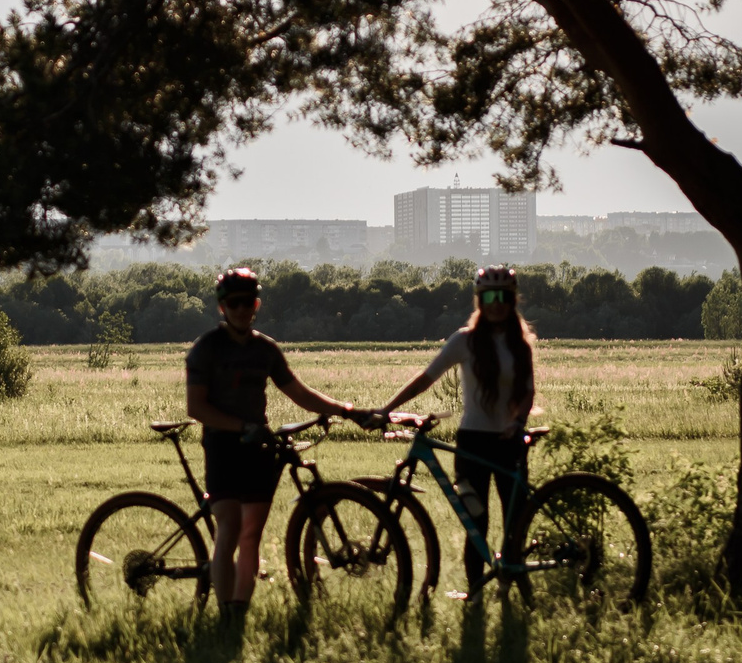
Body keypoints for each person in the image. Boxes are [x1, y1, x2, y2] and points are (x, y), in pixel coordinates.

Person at [184, 266, 361, 623]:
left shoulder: (265, 349)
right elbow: (196, 407)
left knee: (251, 534)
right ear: (222, 307)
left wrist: (343, 409)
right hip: (222, 445)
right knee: (230, 528)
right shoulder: (206, 349)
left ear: (257, 304)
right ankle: (224, 615)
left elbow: (297, 391)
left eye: (247, 302)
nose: (241, 309)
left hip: (257, 448)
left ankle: (239, 612)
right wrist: (241, 425)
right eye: (233, 303)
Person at [374, 265, 539, 592]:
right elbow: (425, 379)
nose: (496, 303)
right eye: (489, 297)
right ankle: (476, 593)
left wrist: (517, 422)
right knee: (475, 522)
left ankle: (515, 589)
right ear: (479, 300)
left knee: (515, 523)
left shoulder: (520, 343)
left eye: (503, 296)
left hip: (510, 443)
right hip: (472, 446)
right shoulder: (464, 342)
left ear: (512, 300)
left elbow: (527, 392)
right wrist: (386, 409)